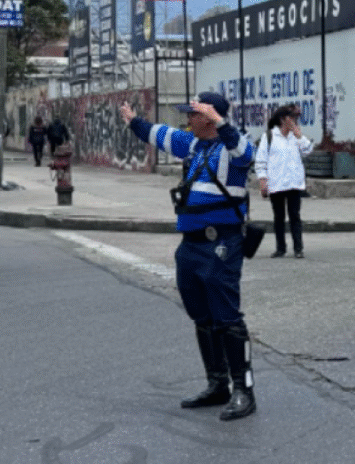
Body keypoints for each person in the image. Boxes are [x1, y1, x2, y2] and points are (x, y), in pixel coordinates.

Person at [119, 91, 257, 421]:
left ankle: (243, 389)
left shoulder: (234, 150)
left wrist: (221, 120)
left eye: (193, 114)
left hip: (220, 243)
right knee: (202, 317)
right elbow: (161, 135)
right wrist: (134, 121)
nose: (187, 120)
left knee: (226, 317)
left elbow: (243, 150)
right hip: (191, 245)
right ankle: (218, 384)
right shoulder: (195, 145)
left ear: (209, 118)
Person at [255, 105, 313, 259]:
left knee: (295, 216)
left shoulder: (296, 137)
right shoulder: (269, 136)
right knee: (279, 217)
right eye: (291, 117)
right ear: (282, 119)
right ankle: (280, 248)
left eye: (295, 118)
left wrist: (299, 135)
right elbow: (261, 161)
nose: (294, 120)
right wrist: (262, 180)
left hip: (294, 182)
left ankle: (298, 248)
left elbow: (308, 151)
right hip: (277, 182)